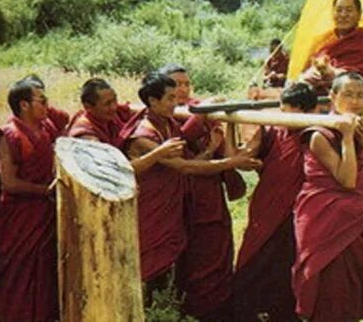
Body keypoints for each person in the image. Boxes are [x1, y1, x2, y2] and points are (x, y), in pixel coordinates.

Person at [120, 72, 261, 315]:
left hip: (172, 208)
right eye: (170, 98)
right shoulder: (143, 135)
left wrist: (210, 150)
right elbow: (184, 167)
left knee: (174, 269)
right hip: (152, 211)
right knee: (150, 267)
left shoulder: (169, 125)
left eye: (176, 97)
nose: (176, 103)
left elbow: (191, 163)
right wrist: (232, 162)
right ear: (152, 101)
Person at [292, 72, 363, 322]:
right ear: (332, 96)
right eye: (348, 94)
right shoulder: (320, 135)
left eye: (360, 95)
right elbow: (348, 181)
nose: (355, 101)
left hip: (353, 217)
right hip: (324, 215)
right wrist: (348, 138)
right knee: (329, 283)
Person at [158, 63, 244, 321]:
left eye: (186, 84)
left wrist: (221, 124)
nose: (183, 90)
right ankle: (195, 311)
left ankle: (220, 310)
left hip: (211, 192)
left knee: (219, 249)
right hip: (184, 195)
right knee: (196, 256)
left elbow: (226, 150)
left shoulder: (199, 109)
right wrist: (204, 117)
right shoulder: (168, 116)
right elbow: (182, 148)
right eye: (177, 85)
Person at [230, 82, 317, 322]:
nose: (285, 118)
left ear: (309, 112)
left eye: (292, 114)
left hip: (296, 211)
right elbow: (241, 158)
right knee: (253, 258)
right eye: (283, 111)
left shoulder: (315, 136)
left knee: (285, 264)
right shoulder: (274, 132)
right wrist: (230, 126)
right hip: (266, 206)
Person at [0, 78, 60, 322]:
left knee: (43, 270)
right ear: (24, 105)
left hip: (44, 214)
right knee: (18, 270)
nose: (47, 105)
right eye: (42, 100)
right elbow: (9, 183)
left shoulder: (47, 127)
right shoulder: (11, 134)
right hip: (20, 215)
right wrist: (45, 190)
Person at [67, 77, 185, 170]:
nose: (114, 107)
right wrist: (157, 153)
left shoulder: (115, 111)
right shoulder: (86, 134)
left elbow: (150, 108)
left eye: (115, 100)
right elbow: (114, 169)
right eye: (107, 104)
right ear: (88, 107)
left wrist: (193, 115)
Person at [300, 0, 363, 94]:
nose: (343, 15)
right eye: (339, 10)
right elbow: (312, 65)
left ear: (359, 14)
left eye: (349, 10)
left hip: (354, 90)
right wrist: (313, 73)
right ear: (333, 14)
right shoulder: (324, 40)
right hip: (318, 92)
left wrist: (335, 73)